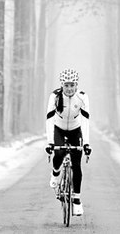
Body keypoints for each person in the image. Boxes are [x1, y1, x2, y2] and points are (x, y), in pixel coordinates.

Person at [45, 68, 92, 216]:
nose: (69, 88)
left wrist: (86, 144)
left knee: (76, 165)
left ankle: (77, 200)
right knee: (59, 153)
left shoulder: (82, 97)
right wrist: (50, 142)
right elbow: (49, 119)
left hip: (75, 130)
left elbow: (85, 121)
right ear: (62, 85)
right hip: (59, 129)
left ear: (76, 85)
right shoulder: (54, 96)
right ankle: (55, 173)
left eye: (72, 85)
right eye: (66, 85)